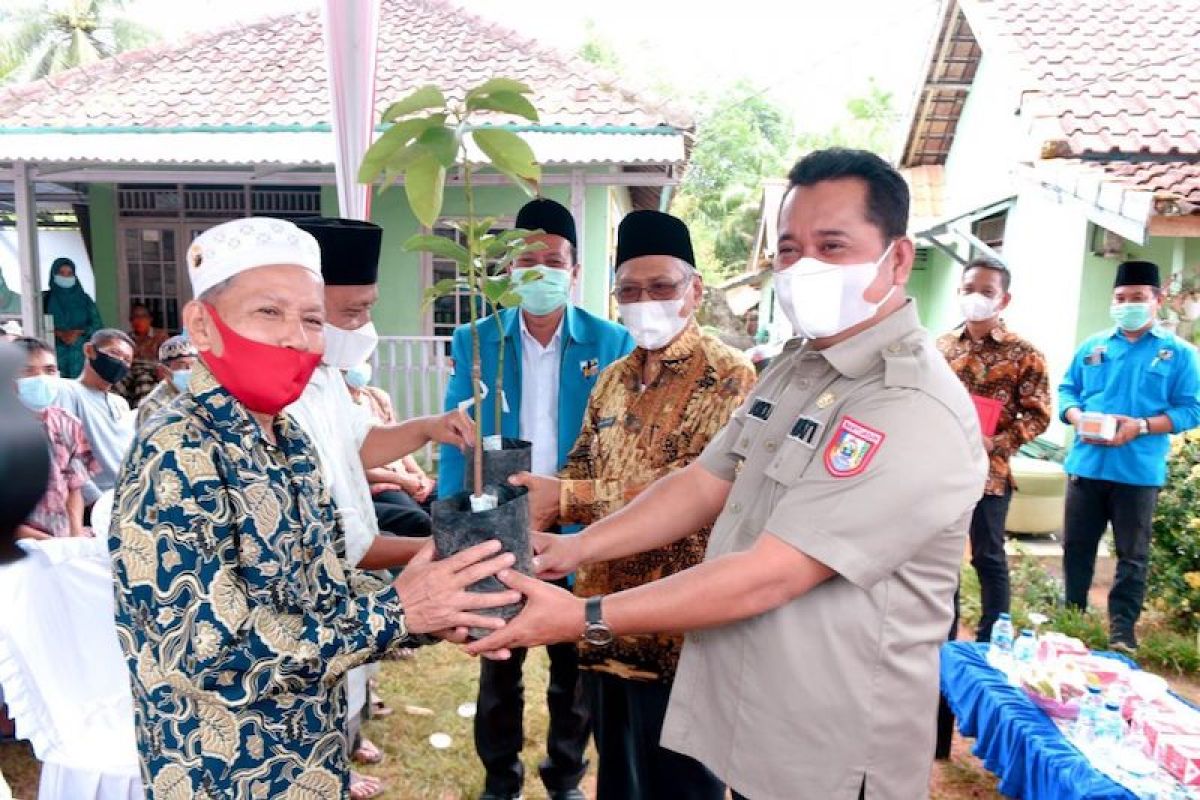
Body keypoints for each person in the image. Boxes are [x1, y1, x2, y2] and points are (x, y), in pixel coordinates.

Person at [466, 148, 988, 800]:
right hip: (758, 716)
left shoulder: (905, 404)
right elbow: (702, 484)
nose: (805, 270)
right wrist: (573, 547)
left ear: (898, 259)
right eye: (791, 250)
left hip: (836, 747)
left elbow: (772, 572)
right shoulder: (800, 368)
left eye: (833, 246)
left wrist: (581, 616)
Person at [108, 216, 519, 799]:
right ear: (203, 325)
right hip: (223, 773)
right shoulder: (177, 450)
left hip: (309, 758)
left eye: (311, 320)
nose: (295, 338)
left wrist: (435, 617)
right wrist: (400, 612)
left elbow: (324, 599)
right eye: (268, 313)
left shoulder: (289, 441)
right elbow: (214, 657)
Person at [511, 210, 755, 800]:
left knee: (682, 781)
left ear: (694, 290)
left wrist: (567, 497)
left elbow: (695, 488)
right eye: (630, 291)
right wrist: (535, 511)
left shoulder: (729, 377)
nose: (645, 301)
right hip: (602, 618)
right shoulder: (613, 376)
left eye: (661, 287)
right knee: (618, 776)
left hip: (680, 623)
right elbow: (581, 465)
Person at [441, 197, 634, 800]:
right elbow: (458, 437)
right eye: (527, 261)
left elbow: (619, 442)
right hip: (498, 520)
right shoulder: (478, 340)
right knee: (499, 659)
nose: (541, 272)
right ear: (507, 271)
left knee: (572, 664)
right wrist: (454, 527)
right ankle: (501, 778)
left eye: (553, 260)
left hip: (577, 523)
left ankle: (565, 777)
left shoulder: (612, 341)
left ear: (574, 271)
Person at [1059, 260, 1200, 651]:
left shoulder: (1179, 355)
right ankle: (1070, 620)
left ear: (1157, 301)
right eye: (1121, 298)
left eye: (1137, 298)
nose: (1128, 305)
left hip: (1137, 472)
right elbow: (1068, 391)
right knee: (1076, 548)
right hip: (1086, 464)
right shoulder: (1094, 346)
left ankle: (1122, 631)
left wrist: (1139, 426)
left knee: (1132, 556)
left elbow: (1191, 410)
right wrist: (1076, 416)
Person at [936, 257, 1051, 641]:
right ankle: (942, 640)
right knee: (940, 560)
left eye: (986, 292)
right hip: (941, 473)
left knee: (988, 558)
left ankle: (990, 643)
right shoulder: (942, 347)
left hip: (990, 474)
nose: (975, 299)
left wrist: (995, 443)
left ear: (1004, 299)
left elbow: (1039, 416)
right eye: (969, 290)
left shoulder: (1024, 354)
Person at [12, 336, 98, 540]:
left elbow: (74, 485)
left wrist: (74, 535)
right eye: (27, 371)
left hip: (59, 543)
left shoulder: (67, 423)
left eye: (49, 370)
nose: (40, 378)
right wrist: (48, 542)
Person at [344, 360, 435, 537]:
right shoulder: (333, 407)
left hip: (405, 476)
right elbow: (352, 463)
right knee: (419, 521)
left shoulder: (376, 398)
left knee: (450, 504)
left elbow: (399, 443)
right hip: (377, 483)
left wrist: (420, 476)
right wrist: (401, 480)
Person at [50, 328, 135, 513]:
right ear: (89, 350)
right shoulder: (67, 391)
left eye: (127, 360)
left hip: (125, 501)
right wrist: (96, 502)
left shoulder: (120, 403)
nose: (121, 362)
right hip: (94, 504)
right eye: (114, 353)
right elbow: (65, 455)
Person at [43, 258, 102, 379]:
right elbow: (36, 323)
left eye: (70, 273)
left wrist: (78, 332)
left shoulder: (85, 300)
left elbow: (98, 327)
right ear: (54, 275)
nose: (65, 277)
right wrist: (58, 333)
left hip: (80, 358)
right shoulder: (45, 299)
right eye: (61, 273)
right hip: (53, 356)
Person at [135, 334, 198, 428]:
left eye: (193, 364)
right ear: (163, 371)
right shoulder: (153, 406)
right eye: (181, 365)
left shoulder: (202, 393)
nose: (189, 370)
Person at [117, 302, 170, 407]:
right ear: (131, 321)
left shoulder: (160, 336)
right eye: (135, 317)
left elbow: (167, 360)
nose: (139, 320)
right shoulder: (126, 338)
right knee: (117, 382)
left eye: (143, 316)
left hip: (151, 371)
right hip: (130, 370)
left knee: (143, 380)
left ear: (150, 319)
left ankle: (143, 414)